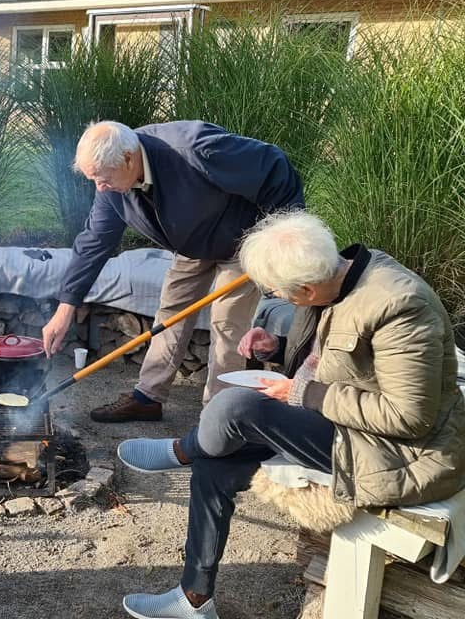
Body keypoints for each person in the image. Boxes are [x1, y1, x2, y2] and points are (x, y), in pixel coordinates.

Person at [115, 211, 465, 619]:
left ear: (309, 288)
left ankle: (184, 449)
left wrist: (301, 391)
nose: (276, 297)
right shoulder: (339, 278)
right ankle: (195, 599)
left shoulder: (398, 305)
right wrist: (276, 348)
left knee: (235, 406)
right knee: (214, 467)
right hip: (345, 425)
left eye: (280, 293)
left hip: (399, 451)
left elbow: (408, 417)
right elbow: (345, 360)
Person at [42, 120, 303, 422]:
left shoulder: (194, 148)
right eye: (94, 179)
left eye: (103, 178)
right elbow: (94, 242)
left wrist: (281, 238)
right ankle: (148, 397)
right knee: (170, 312)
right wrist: (66, 308)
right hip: (192, 243)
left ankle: (218, 417)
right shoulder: (112, 186)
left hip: (242, 241)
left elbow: (273, 165)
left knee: (227, 324)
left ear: (128, 158)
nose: (99, 188)